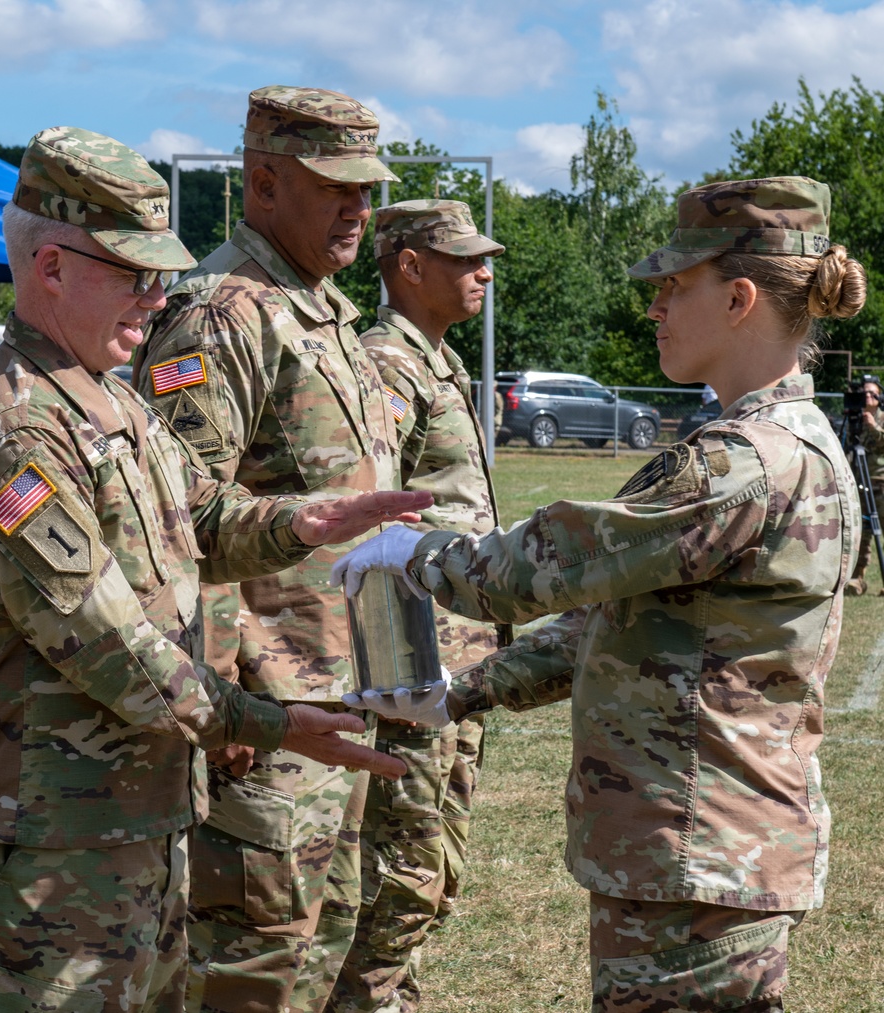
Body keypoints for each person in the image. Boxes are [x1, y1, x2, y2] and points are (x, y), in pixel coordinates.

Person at [0, 125, 423, 1013]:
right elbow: (110, 646)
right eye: (134, 273)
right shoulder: (18, 440)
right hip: (41, 865)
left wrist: (305, 519)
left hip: (131, 836)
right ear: (53, 267)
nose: (157, 298)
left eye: (160, 274)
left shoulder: (109, 401)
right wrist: (265, 722)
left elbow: (200, 516)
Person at [334, 177, 866, 1012]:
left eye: (673, 287)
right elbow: (613, 618)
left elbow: (558, 562)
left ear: (738, 298)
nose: (654, 308)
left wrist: (418, 554)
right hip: (702, 856)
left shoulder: (742, 462)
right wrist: (463, 691)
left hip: (698, 861)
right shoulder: (788, 441)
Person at [132, 84, 404, 1013]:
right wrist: (224, 707)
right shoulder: (222, 315)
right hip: (267, 716)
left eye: (366, 188)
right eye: (336, 186)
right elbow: (176, 526)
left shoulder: (317, 309)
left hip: (336, 692)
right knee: (248, 966)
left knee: (316, 944)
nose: (357, 208)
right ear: (261, 181)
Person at [328, 199, 507, 1013]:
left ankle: (394, 995)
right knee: (404, 865)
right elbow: (370, 519)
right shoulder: (387, 365)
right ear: (408, 264)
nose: (484, 271)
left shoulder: (434, 359)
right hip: (412, 656)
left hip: (460, 653)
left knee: (437, 865)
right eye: (465, 258)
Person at [843, 374, 884, 595]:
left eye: (871, 392)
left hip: (881, 482)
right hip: (861, 484)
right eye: (863, 393)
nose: (867, 396)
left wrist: (874, 427)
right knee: (862, 535)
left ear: (880, 397)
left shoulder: (882, 417)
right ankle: (857, 580)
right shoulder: (854, 421)